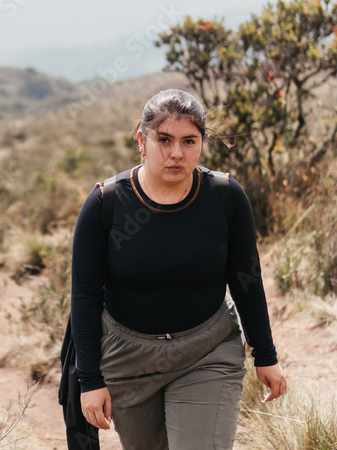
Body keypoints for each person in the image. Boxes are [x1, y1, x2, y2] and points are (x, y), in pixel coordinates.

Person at [70, 89, 287, 449]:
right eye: (164, 140)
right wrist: (90, 380)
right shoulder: (106, 204)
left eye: (189, 141)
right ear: (142, 140)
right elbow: (86, 295)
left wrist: (265, 355)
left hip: (207, 351)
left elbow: (246, 281)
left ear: (203, 142)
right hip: (127, 359)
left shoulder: (225, 196)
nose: (176, 153)